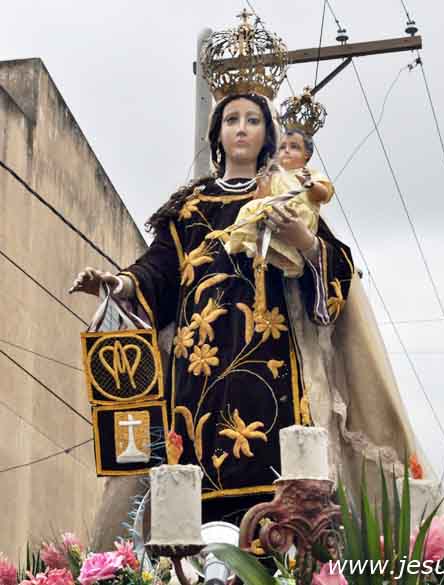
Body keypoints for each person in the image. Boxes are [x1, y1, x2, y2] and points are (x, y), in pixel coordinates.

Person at [70, 92, 354, 534]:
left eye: (253, 120)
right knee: (189, 484)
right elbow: (158, 269)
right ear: (217, 134)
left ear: (267, 135)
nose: (241, 128)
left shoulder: (284, 193)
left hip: (268, 362)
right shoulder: (190, 206)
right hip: (196, 373)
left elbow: (336, 269)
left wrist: (302, 239)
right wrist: (116, 284)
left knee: (275, 480)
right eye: (232, 120)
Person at [222, 128, 334, 278]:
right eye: (282, 147)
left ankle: (290, 257)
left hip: (297, 216)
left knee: (284, 213)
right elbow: (260, 199)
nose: (287, 151)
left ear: (306, 154)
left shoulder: (310, 173)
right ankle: (248, 242)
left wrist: (310, 184)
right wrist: (262, 185)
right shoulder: (275, 177)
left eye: (294, 147)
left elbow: (323, 195)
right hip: (274, 210)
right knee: (250, 207)